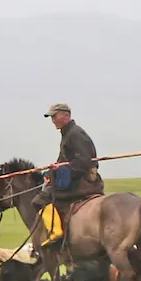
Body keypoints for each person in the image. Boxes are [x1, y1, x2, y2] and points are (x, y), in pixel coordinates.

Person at [31, 103, 103, 248]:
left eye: (54, 116)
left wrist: (64, 169)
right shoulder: (68, 134)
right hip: (76, 178)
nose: (53, 120)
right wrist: (50, 173)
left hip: (83, 182)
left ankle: (56, 232)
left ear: (66, 115)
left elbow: (84, 161)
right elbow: (62, 161)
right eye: (51, 117)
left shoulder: (75, 134)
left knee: (39, 200)